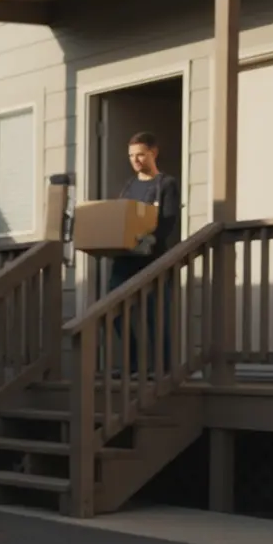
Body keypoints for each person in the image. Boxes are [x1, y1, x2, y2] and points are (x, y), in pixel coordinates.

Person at [110, 131, 180, 375]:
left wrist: (148, 239)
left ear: (153, 152)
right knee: (113, 311)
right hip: (124, 259)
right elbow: (121, 217)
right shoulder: (129, 185)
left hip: (152, 258)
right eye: (131, 156)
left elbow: (168, 222)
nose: (135, 160)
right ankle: (133, 362)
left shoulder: (166, 184)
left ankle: (163, 368)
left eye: (140, 154)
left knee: (155, 315)